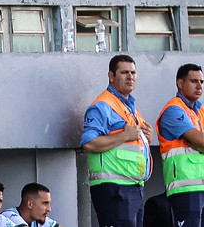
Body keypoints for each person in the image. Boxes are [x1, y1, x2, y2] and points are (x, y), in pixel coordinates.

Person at [83, 53, 154, 227]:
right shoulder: (102, 106)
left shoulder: (128, 106)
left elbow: (131, 144)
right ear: (111, 76)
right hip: (114, 187)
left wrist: (146, 139)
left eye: (133, 72)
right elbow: (89, 143)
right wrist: (124, 135)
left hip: (133, 186)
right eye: (124, 72)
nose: (130, 76)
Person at [161, 64, 204, 227]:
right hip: (184, 188)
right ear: (180, 83)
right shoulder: (174, 110)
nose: (199, 86)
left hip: (200, 186)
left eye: (201, 82)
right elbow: (200, 141)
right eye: (194, 81)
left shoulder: (199, 111)